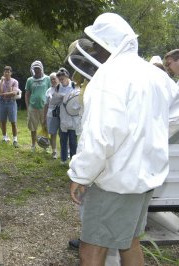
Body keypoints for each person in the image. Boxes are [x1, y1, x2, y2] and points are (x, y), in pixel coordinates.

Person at [68, 13, 179, 265]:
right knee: (129, 241)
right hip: (143, 181)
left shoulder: (107, 77)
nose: (95, 53)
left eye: (97, 47)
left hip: (114, 182)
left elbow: (99, 137)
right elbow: (173, 117)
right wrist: (143, 141)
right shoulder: (156, 75)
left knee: (91, 250)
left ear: (108, 44)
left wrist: (81, 174)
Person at [25, 61, 51, 152]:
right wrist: (27, 107)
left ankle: (45, 146)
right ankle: (33, 145)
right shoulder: (29, 80)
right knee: (33, 127)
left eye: (38, 68)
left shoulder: (47, 79)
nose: (36, 70)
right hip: (33, 107)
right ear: (32, 69)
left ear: (41, 68)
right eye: (35, 68)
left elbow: (51, 91)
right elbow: (27, 94)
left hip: (44, 107)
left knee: (45, 127)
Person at [56, 68, 81, 164]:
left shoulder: (75, 85)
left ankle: (73, 160)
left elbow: (79, 99)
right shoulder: (58, 87)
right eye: (60, 79)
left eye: (63, 78)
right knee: (63, 139)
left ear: (67, 77)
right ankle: (63, 159)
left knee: (73, 141)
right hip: (63, 116)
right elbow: (54, 101)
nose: (62, 80)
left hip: (73, 117)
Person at [0, 66, 20, 147]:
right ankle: (4, 138)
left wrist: (3, 94)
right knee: (3, 121)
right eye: (5, 72)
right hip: (2, 103)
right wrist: (1, 82)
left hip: (11, 103)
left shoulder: (14, 81)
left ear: (11, 73)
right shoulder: (0, 82)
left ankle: (15, 140)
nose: (6, 73)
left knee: (13, 122)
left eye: (8, 72)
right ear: (3, 73)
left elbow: (14, 93)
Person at [44, 72, 60, 159]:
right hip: (51, 114)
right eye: (51, 79)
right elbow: (46, 105)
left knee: (63, 134)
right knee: (53, 133)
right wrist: (44, 117)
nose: (53, 80)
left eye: (54, 78)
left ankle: (67, 152)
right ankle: (54, 151)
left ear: (58, 79)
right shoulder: (48, 91)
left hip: (62, 115)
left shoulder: (63, 89)